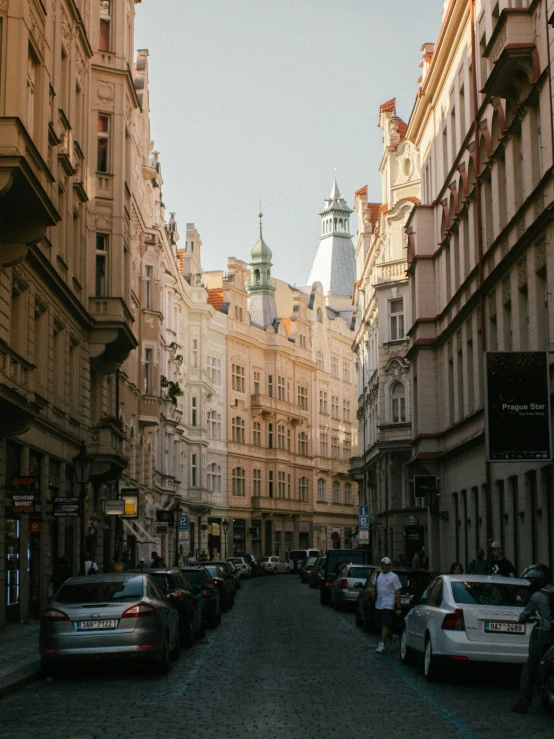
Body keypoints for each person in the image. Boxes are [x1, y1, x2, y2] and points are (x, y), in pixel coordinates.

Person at [511, 564, 554, 714]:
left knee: (529, 667)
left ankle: (522, 703)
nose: (530, 583)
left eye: (532, 580)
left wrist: (522, 620)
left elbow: (524, 615)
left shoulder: (538, 596)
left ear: (538, 579)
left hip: (547, 636)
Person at [373, 557, 402, 653]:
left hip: (389, 604)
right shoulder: (377, 575)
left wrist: (398, 607)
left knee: (385, 624)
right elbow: (373, 585)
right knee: (378, 625)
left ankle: (381, 645)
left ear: (390, 566)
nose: (384, 566)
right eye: (382, 564)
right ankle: (391, 635)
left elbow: (398, 592)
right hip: (379, 603)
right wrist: (372, 592)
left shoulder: (394, 577)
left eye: (386, 565)